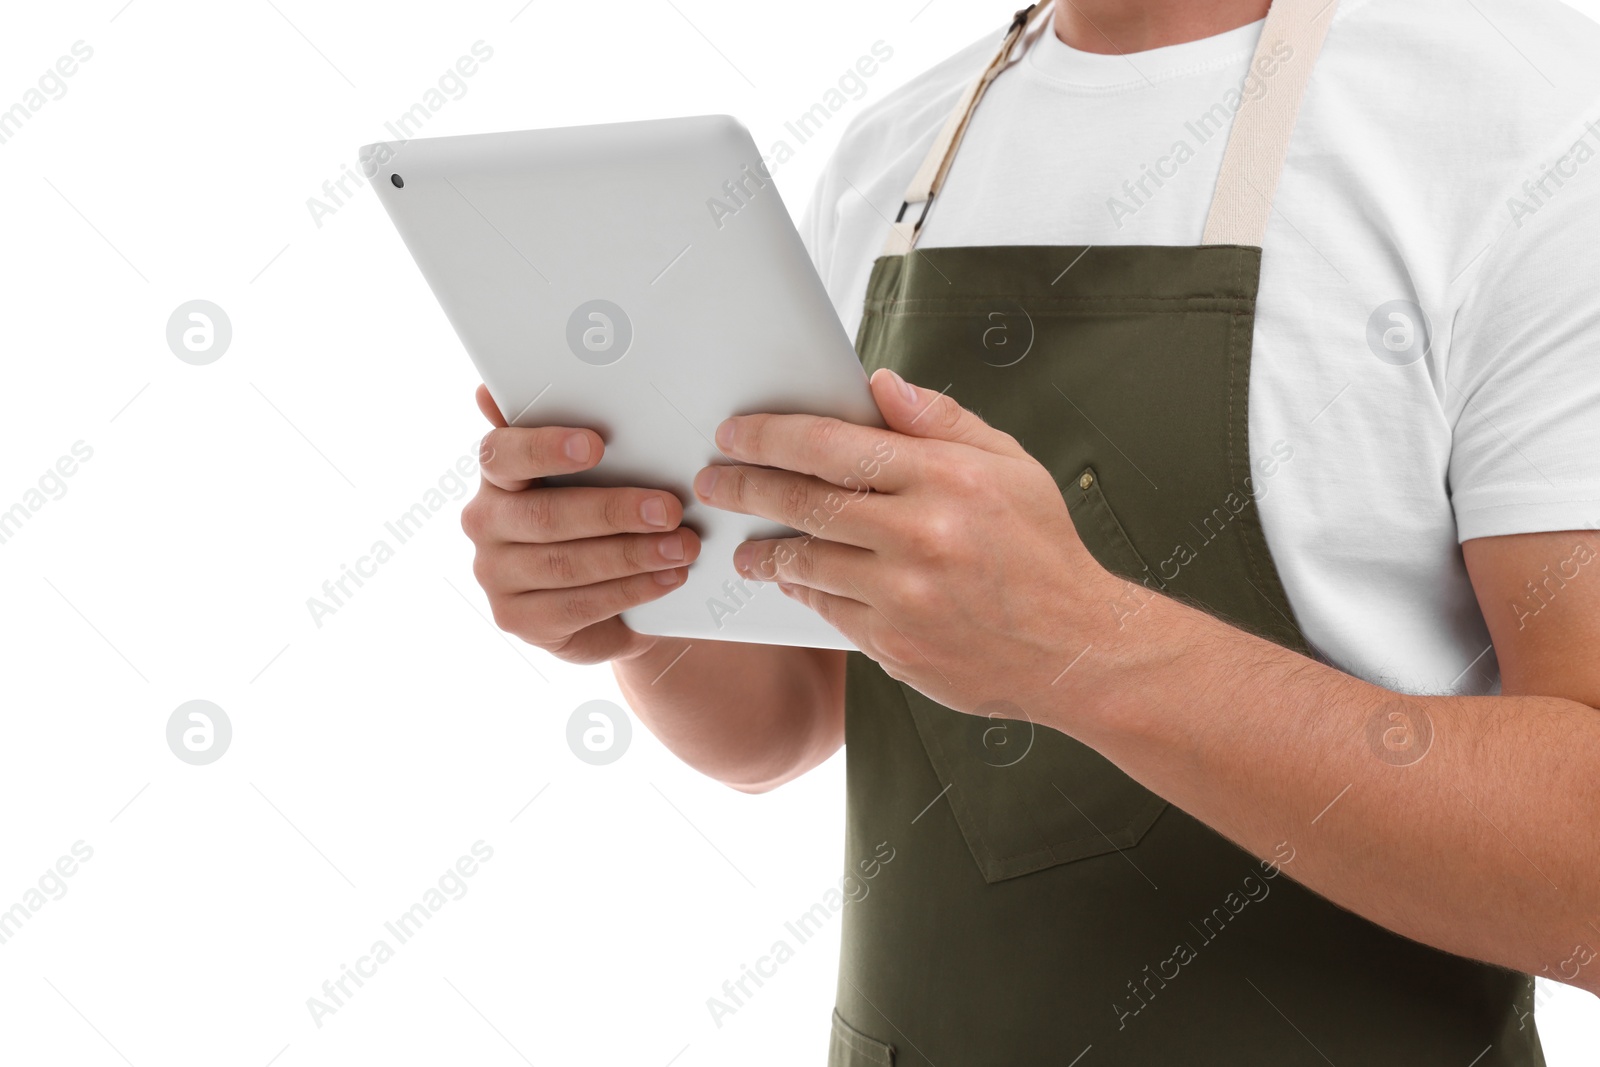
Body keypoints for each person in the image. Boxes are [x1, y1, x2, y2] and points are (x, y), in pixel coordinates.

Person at [460, 0, 1600, 1061]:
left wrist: (1084, 647)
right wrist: (628, 592)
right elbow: (789, 714)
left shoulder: (1525, 130)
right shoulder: (894, 156)